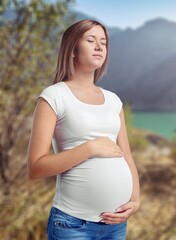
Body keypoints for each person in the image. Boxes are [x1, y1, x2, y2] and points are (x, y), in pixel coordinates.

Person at [26, 19, 140, 240]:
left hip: (115, 224)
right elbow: (36, 167)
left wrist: (135, 200)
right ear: (72, 50)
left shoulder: (113, 100)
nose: (99, 47)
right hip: (72, 225)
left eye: (104, 42)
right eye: (91, 40)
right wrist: (90, 148)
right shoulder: (54, 96)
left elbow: (126, 155)